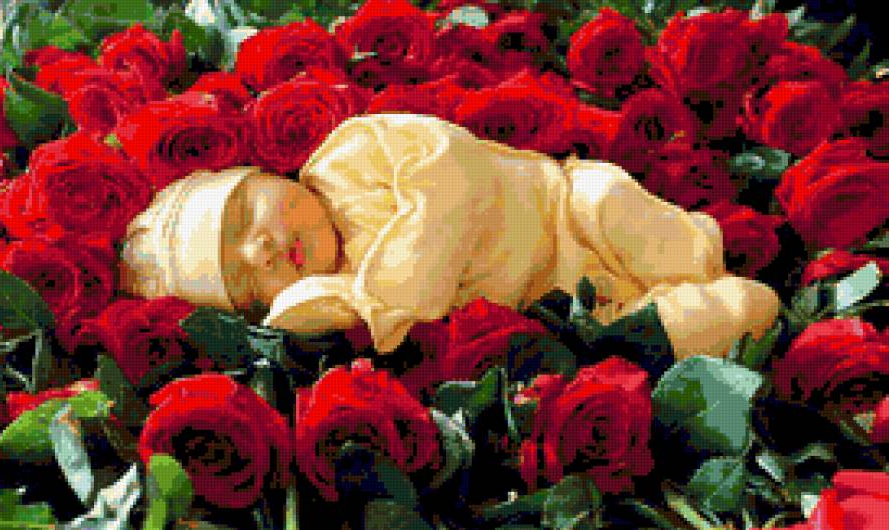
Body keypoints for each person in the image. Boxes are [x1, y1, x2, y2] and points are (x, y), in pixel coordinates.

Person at [118, 112, 780, 360]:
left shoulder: (351, 156)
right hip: (574, 299)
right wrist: (318, 304)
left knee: (623, 213)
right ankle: (722, 312)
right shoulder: (349, 291)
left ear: (267, 174)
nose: (259, 250)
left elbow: (454, 172)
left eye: (244, 219)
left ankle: (701, 262)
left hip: (570, 212)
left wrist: (390, 299)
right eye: (247, 281)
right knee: (633, 338)